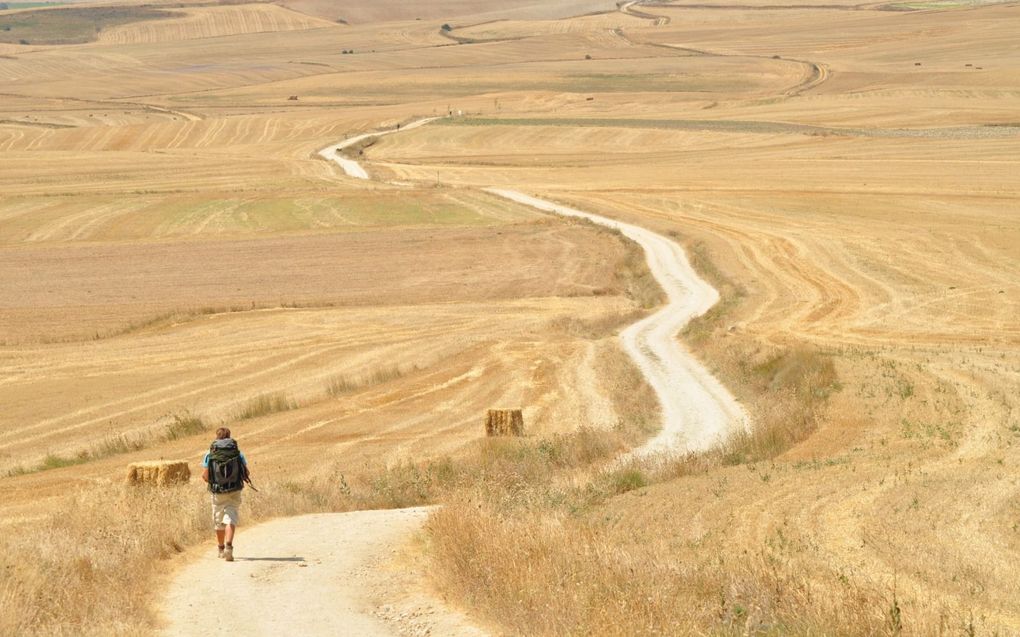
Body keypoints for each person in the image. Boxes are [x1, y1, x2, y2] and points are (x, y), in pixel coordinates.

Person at [201, 427, 249, 562]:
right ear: (229, 437)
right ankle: (229, 547)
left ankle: (221, 548)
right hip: (234, 490)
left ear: (217, 437)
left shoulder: (210, 454)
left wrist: (215, 482)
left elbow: (205, 476)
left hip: (218, 492)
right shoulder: (237, 453)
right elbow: (246, 473)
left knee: (219, 521)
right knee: (230, 518)